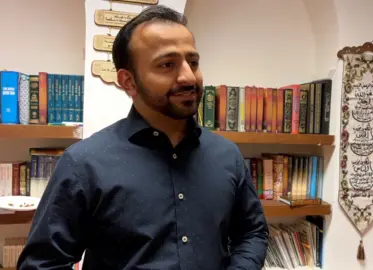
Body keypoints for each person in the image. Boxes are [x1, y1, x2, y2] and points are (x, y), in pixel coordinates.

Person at [17, 5, 268, 270]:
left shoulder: (227, 155)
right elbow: (42, 265)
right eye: (167, 64)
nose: (188, 76)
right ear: (128, 81)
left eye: (193, 62)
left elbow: (252, 233)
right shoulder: (84, 164)